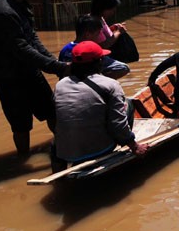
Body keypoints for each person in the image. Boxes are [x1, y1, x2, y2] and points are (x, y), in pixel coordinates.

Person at [0, 0, 69, 156]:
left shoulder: (22, 7)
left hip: (29, 72)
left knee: (52, 110)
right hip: (9, 79)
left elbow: (33, 40)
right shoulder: (2, 12)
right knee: (21, 125)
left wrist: (57, 64)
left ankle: (65, 146)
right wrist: (56, 67)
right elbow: (20, 48)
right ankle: (22, 161)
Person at [51, 41, 148, 170]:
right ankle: (123, 146)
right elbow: (118, 123)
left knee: (54, 143)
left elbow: (55, 120)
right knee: (129, 104)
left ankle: (58, 173)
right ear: (99, 62)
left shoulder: (60, 85)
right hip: (99, 149)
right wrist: (135, 147)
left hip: (64, 153)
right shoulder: (111, 84)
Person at [59, 14, 130, 79]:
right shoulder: (91, 50)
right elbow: (122, 68)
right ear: (88, 34)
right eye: (98, 34)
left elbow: (59, 71)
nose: (100, 37)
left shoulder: (65, 49)